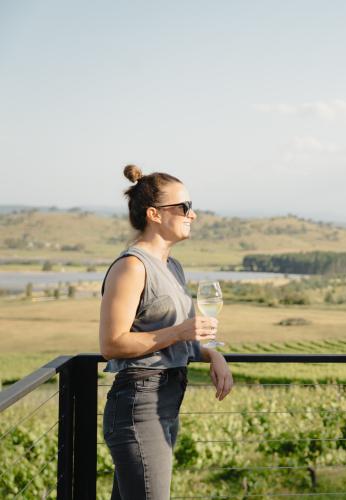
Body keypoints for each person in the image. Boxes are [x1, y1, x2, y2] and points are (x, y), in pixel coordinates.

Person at [100, 165, 234, 500]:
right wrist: (180, 332)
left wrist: (211, 353)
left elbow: (172, 338)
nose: (194, 214)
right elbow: (112, 344)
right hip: (139, 403)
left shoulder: (172, 266)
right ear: (154, 214)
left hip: (165, 401)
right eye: (185, 207)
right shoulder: (132, 266)